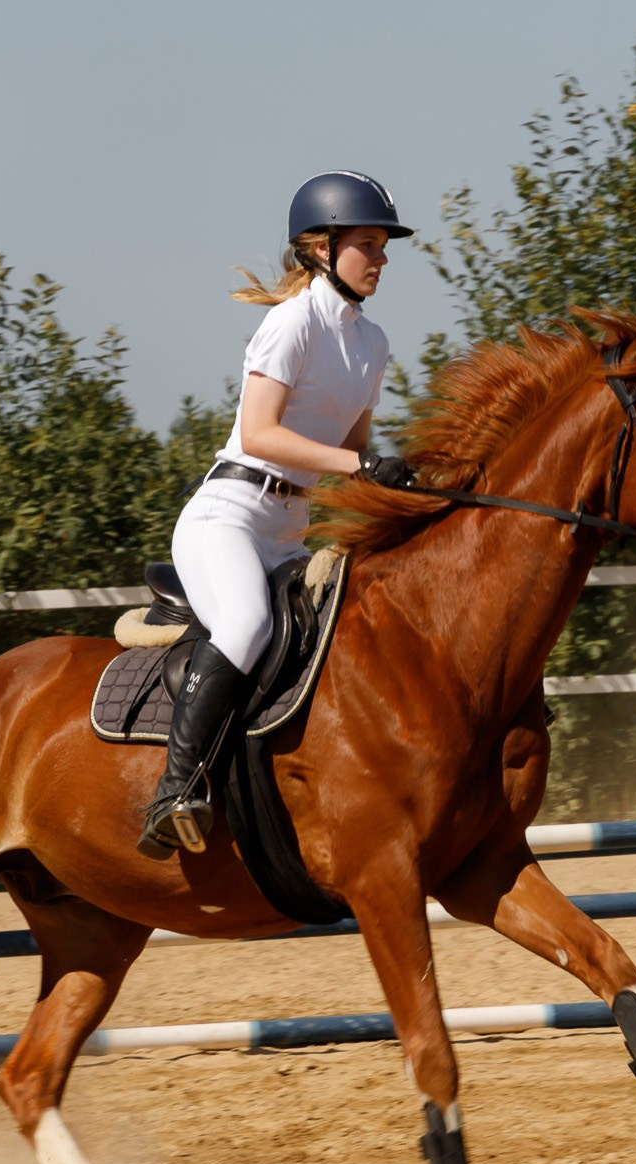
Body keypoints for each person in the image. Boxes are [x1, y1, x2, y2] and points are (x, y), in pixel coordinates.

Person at [137, 170, 419, 859]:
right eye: (368, 244)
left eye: (384, 246)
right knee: (247, 621)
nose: (380, 258)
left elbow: (349, 453)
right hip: (229, 516)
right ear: (320, 248)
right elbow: (261, 433)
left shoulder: (372, 343)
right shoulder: (290, 323)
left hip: (291, 530)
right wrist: (357, 465)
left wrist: (400, 482)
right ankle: (174, 790)